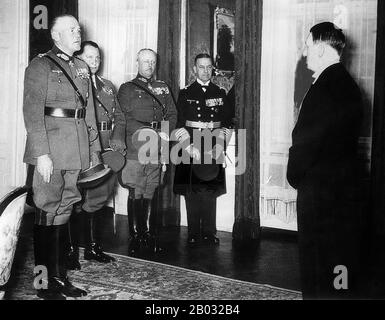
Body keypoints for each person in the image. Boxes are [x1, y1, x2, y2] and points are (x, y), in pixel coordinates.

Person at [23, 15, 101, 299]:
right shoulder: (40, 65)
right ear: (55, 36)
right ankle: (43, 284)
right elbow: (32, 114)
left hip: (76, 149)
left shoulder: (81, 67)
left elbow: (89, 112)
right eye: (71, 30)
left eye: (78, 30)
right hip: (51, 151)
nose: (77, 34)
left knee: (66, 208)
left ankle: (58, 277)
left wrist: (93, 151)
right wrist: (41, 153)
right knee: (46, 210)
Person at [287, 22, 364, 299]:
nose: (304, 52)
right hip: (344, 188)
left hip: (318, 190)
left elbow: (305, 144)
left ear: (320, 48)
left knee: (316, 261)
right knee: (338, 259)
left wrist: (295, 177)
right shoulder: (348, 85)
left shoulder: (323, 89)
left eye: (307, 46)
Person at [65, 41, 126, 270]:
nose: (94, 61)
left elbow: (119, 117)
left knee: (100, 197)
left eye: (97, 57)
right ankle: (70, 250)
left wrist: (117, 140)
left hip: (107, 146)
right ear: (79, 59)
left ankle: (92, 248)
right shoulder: (72, 84)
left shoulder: (108, 85)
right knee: (75, 200)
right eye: (89, 57)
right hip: (83, 146)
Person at [117, 48, 177, 254]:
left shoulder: (163, 88)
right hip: (136, 143)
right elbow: (121, 119)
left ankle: (150, 235)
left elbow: (171, 114)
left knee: (152, 186)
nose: (149, 66)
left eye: (152, 62)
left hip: (157, 142)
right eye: (145, 62)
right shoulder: (126, 89)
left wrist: (165, 138)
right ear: (137, 62)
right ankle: (136, 236)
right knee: (136, 187)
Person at [173, 53, 233, 245]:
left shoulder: (221, 92)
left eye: (208, 67)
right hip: (190, 142)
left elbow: (226, 122)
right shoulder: (185, 92)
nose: (205, 71)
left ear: (212, 69)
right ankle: (192, 232)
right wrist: (188, 146)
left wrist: (220, 144)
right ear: (194, 69)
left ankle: (208, 232)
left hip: (212, 143)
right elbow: (178, 123)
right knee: (191, 191)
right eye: (201, 67)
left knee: (209, 190)